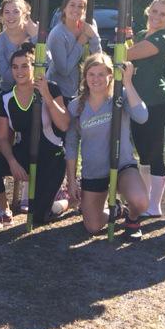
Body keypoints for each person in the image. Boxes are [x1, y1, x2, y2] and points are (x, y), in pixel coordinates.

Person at [0, 46, 70, 229]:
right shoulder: (6, 98)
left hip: (52, 157)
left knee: (39, 216)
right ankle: (4, 211)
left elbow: (64, 125)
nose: (19, 71)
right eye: (15, 67)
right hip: (25, 153)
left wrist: (46, 95)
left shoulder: (50, 88)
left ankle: (66, 201)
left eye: (24, 66)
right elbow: (2, 138)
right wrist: (12, 162)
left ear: (34, 67)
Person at [65, 53, 149, 239]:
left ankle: (132, 218)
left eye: (101, 74)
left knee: (141, 202)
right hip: (94, 171)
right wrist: (71, 180)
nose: (96, 79)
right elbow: (71, 145)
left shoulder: (120, 97)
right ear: (85, 77)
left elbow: (142, 117)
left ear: (110, 75)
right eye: (91, 74)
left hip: (122, 165)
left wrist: (128, 82)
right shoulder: (76, 106)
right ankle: (117, 209)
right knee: (93, 226)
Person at [126, 0, 165, 217]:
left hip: (156, 101)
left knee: (154, 151)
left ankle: (155, 205)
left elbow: (126, 54)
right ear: (149, 10)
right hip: (136, 99)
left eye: (163, 14)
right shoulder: (142, 34)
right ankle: (145, 199)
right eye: (155, 11)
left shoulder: (163, 38)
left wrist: (114, 46)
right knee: (142, 151)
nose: (157, 17)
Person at [45, 0, 101, 100]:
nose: (76, 9)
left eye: (80, 6)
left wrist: (94, 37)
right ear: (64, 8)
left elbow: (98, 57)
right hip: (60, 93)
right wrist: (80, 43)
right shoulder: (57, 34)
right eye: (72, 5)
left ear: (84, 10)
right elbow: (64, 70)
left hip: (86, 91)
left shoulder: (90, 24)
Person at [0, 0, 39, 94]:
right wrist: (22, 48)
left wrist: (36, 38)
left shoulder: (33, 32)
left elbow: (48, 62)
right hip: (10, 92)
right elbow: (8, 78)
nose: (11, 16)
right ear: (2, 16)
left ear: (24, 14)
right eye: (7, 12)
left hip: (36, 90)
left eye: (16, 12)